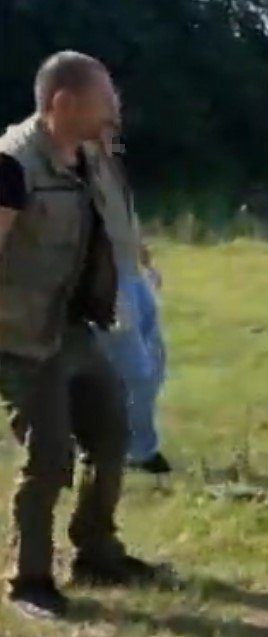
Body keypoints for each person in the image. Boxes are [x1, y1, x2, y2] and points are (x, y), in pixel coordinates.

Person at [0, 51, 161, 620]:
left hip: (73, 326)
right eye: (105, 98)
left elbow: (114, 224)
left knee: (113, 433)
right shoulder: (12, 165)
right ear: (64, 103)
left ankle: (96, 553)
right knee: (49, 454)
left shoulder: (90, 155)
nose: (116, 107)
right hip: (21, 335)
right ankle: (30, 581)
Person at [90, 117, 172, 475]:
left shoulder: (112, 162)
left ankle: (134, 443)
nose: (113, 130)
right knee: (135, 370)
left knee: (156, 362)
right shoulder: (76, 169)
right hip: (107, 278)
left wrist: (145, 257)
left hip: (132, 272)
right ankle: (137, 450)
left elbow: (125, 214)